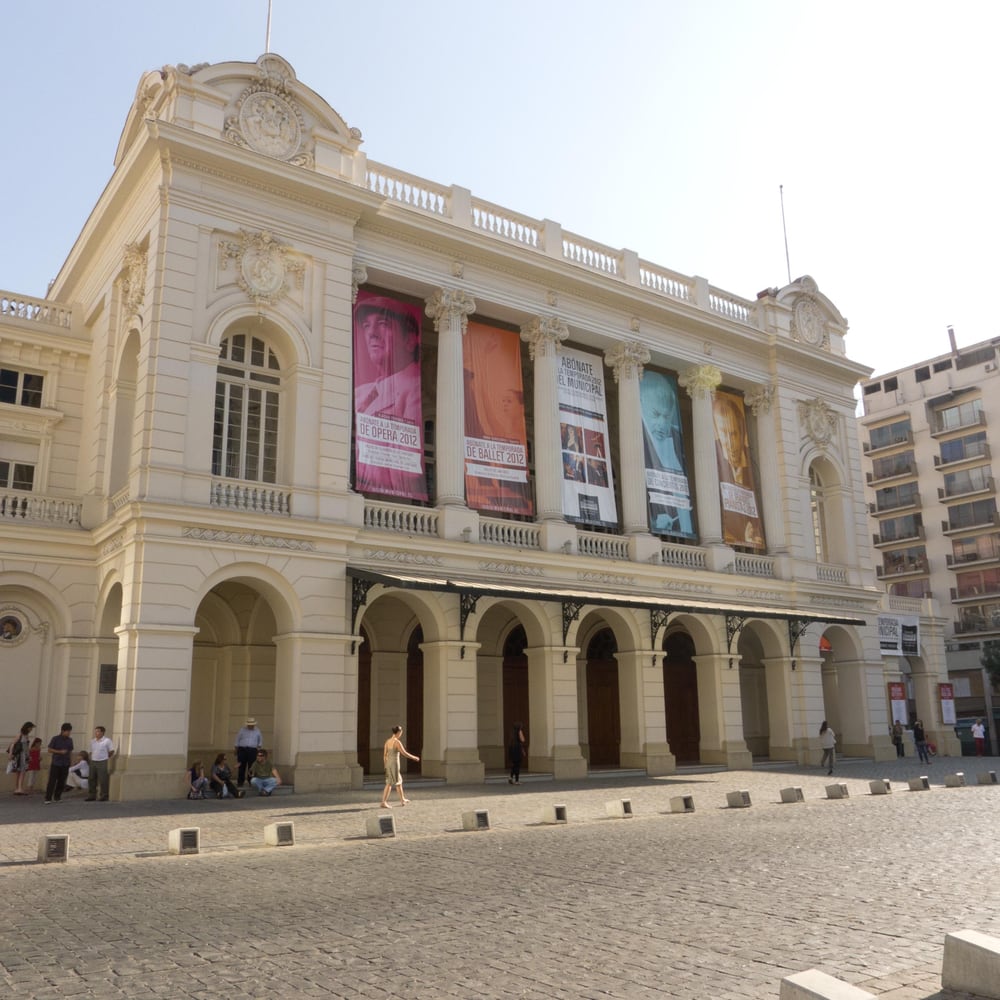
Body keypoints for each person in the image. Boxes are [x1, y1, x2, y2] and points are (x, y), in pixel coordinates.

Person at [353, 296, 422, 424]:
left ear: (410, 340)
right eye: (367, 326)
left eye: (383, 324)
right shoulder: (360, 392)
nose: (371, 333)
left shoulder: (415, 390)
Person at [640, 371, 693, 536]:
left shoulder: (677, 437)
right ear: (640, 404)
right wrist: (655, 522)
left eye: (667, 416)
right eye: (655, 414)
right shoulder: (637, 435)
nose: (663, 424)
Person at [713, 391, 764, 549]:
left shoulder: (752, 470)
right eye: (723, 433)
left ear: (742, 432)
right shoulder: (718, 467)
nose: (728, 442)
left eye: (733, 434)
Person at [380, 725, 419, 808]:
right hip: (394, 764)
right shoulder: (397, 742)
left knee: (399, 782)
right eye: (401, 733)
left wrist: (385, 765)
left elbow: (384, 755)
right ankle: (384, 802)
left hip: (389, 764)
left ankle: (402, 799)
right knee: (390, 783)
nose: (401, 734)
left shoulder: (387, 741)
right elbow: (404, 753)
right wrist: (414, 757)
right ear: (398, 733)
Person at [44, 722, 74, 803]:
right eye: (67, 731)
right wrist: (59, 752)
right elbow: (49, 749)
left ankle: (57, 797)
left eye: (69, 731)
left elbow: (70, 751)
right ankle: (48, 798)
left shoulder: (70, 740)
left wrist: (71, 762)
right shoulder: (55, 739)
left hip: (65, 763)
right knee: (52, 781)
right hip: (56, 763)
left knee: (62, 781)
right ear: (63, 731)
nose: (69, 733)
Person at [86, 725, 116, 802]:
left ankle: (104, 795)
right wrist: (90, 759)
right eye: (95, 731)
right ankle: (91, 795)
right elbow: (90, 751)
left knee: (103, 779)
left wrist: (106, 757)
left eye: (98, 731)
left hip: (102, 761)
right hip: (93, 761)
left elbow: (112, 750)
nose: (96, 733)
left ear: (102, 732)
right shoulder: (92, 741)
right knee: (91, 778)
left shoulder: (107, 741)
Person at [234, 717, 264, 788]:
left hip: (252, 750)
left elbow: (260, 741)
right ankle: (240, 781)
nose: (250, 726)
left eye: (252, 724)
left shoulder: (257, 731)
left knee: (251, 766)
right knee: (241, 766)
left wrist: (259, 751)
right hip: (242, 749)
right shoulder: (242, 730)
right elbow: (237, 739)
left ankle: (251, 781)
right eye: (249, 724)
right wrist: (236, 749)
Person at [7, 721, 34, 795]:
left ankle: (18, 788)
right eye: (31, 728)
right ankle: (19, 788)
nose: (31, 730)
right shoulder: (20, 734)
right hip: (20, 756)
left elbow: (26, 748)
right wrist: (10, 754)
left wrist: (28, 756)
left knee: (19, 772)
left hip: (23, 756)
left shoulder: (25, 735)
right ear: (28, 727)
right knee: (22, 772)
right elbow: (13, 743)